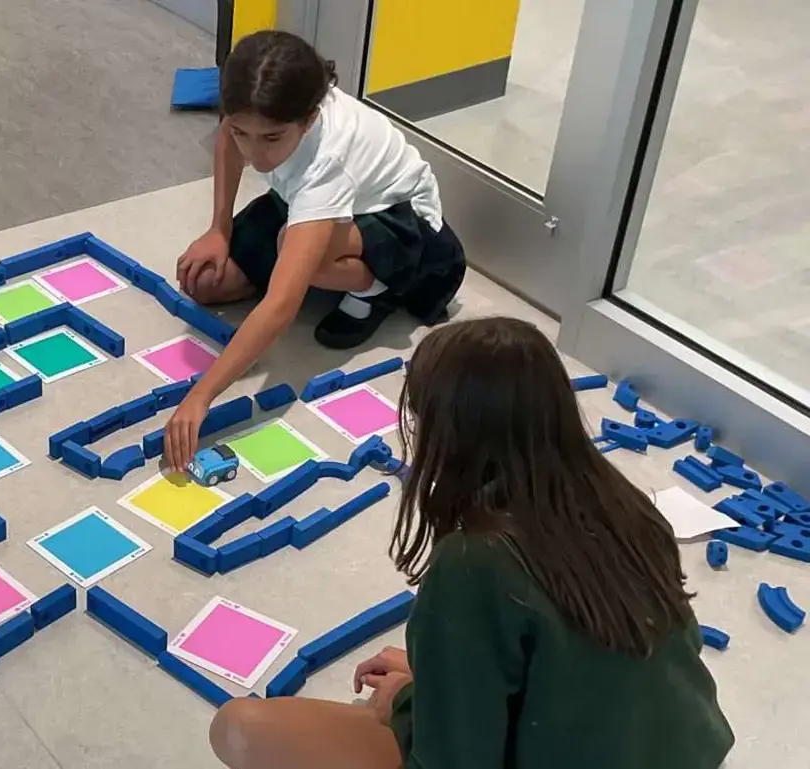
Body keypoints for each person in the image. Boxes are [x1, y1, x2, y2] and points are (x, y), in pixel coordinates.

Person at [207, 316, 734, 769]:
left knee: (241, 727)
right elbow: (582, 666)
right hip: (686, 749)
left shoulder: (473, 561)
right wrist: (438, 677)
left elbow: (456, 760)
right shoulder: (623, 500)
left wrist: (408, 702)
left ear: (449, 432)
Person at [165, 30, 465, 471]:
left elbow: (282, 307)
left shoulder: (328, 161)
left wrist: (200, 397)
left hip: (401, 226)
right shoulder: (259, 128)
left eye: (270, 138)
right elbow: (229, 139)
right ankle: (313, 263)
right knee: (206, 282)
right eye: (244, 131)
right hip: (302, 201)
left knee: (292, 247)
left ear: (308, 120)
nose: (254, 151)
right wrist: (218, 230)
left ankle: (374, 289)